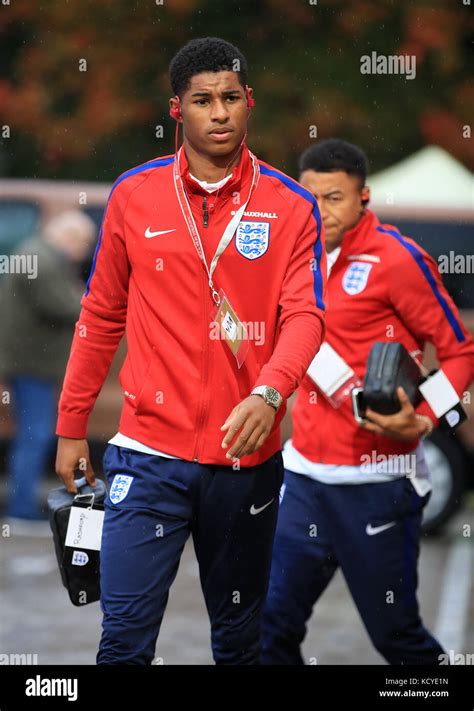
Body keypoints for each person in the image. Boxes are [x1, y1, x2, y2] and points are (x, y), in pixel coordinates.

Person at [54, 37, 326, 665]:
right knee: (122, 641)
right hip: (148, 457)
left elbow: (306, 317)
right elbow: (99, 316)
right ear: (178, 109)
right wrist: (72, 428)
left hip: (245, 464)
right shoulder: (134, 194)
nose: (220, 112)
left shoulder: (291, 206)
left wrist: (270, 389)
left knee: (237, 644)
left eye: (231, 98)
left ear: (249, 102)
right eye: (203, 100)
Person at [261, 138, 474, 665]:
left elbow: (460, 351)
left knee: (396, 639)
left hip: (377, 486)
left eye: (334, 197)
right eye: (309, 196)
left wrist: (424, 420)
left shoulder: (399, 260)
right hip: (304, 478)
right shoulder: (289, 259)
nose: (319, 210)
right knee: (267, 626)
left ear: (364, 198)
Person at [0, 210, 95, 534]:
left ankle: (22, 507)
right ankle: (22, 511)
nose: (85, 251)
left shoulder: (37, 254)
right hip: (32, 365)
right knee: (34, 435)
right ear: (70, 237)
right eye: (85, 243)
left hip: (30, 363)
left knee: (33, 433)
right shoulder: (41, 259)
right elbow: (70, 305)